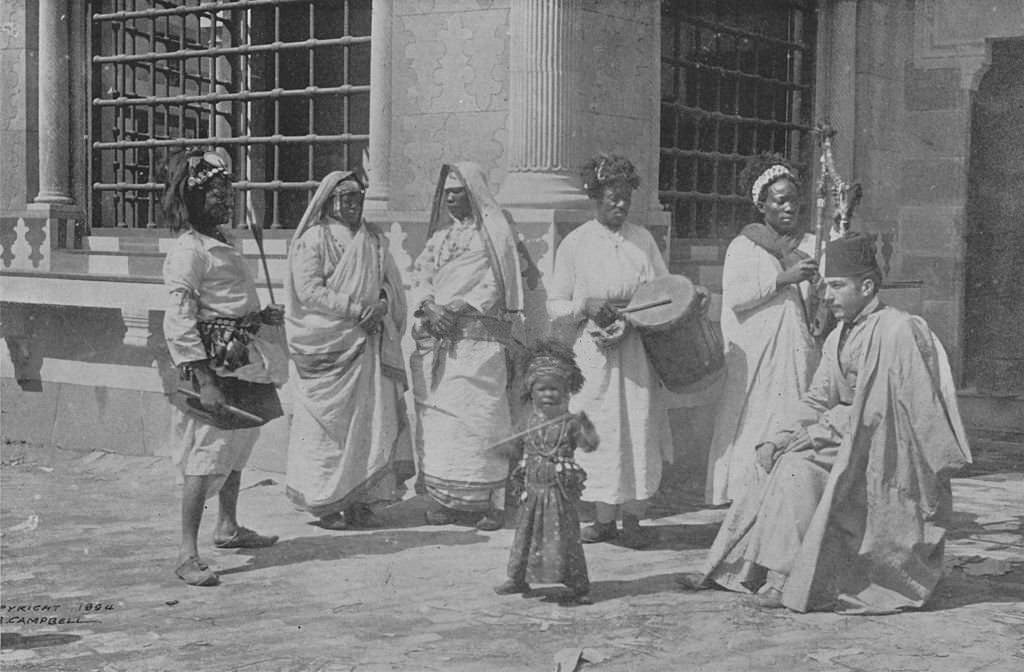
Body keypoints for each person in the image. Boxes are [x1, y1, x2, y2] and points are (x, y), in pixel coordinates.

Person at [682, 233, 972, 614]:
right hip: (845, 442)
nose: (828, 297)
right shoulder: (839, 335)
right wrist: (782, 436)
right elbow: (818, 399)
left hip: (886, 457)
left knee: (797, 469)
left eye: (837, 286)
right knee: (778, 459)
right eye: (825, 287)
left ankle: (786, 577)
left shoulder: (899, 330)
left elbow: (893, 413)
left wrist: (818, 434)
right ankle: (768, 570)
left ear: (867, 286)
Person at [161, 149, 288, 586]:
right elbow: (178, 320)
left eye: (227, 192)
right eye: (216, 194)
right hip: (213, 367)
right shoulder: (189, 251)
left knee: (238, 447)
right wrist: (204, 380)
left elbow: (230, 305)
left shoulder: (223, 243)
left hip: (243, 359)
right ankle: (186, 552)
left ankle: (228, 527)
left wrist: (260, 317)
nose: (225, 200)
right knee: (206, 456)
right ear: (193, 199)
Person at [547, 153, 672, 548]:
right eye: (611, 198)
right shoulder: (576, 243)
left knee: (637, 425)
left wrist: (634, 316)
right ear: (595, 198)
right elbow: (555, 304)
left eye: (625, 199)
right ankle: (603, 519)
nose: (619, 205)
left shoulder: (643, 240)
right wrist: (584, 306)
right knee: (601, 426)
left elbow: (662, 292)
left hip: (635, 348)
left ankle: (633, 519)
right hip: (594, 355)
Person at [283, 171, 415, 530]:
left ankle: (360, 500)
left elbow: (391, 285)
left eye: (358, 197)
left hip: (368, 345)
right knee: (326, 431)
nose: (354, 204)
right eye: (346, 198)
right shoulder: (313, 239)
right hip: (328, 345)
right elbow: (309, 291)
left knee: (368, 426)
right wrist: (357, 311)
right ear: (330, 201)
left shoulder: (373, 240)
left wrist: (382, 306)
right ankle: (325, 504)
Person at [409, 162, 526, 531]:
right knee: (443, 421)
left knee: (483, 418)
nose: (450, 199)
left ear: (473, 194)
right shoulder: (439, 239)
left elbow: (497, 284)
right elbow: (420, 276)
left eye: (457, 192)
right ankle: (448, 502)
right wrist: (431, 307)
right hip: (439, 338)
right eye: (446, 194)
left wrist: (456, 309)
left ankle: (491, 503)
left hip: (480, 342)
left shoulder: (493, 236)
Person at [704, 154, 821, 506]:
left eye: (794, 202)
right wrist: (784, 278)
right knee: (753, 416)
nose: (789, 209)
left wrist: (816, 283)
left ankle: (789, 493)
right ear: (762, 205)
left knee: (791, 411)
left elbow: (821, 298)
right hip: (755, 354)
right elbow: (737, 298)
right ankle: (745, 493)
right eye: (780, 201)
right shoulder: (745, 246)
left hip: (794, 345)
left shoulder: (810, 245)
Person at [494, 339, 599, 605]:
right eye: (542, 389)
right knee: (526, 536)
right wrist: (503, 446)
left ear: (567, 393)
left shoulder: (571, 423)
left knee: (567, 539)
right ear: (532, 392)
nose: (549, 395)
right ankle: (517, 578)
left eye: (556, 390)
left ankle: (577, 585)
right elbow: (514, 447)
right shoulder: (526, 422)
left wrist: (586, 426)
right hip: (533, 491)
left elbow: (591, 444)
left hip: (560, 493)